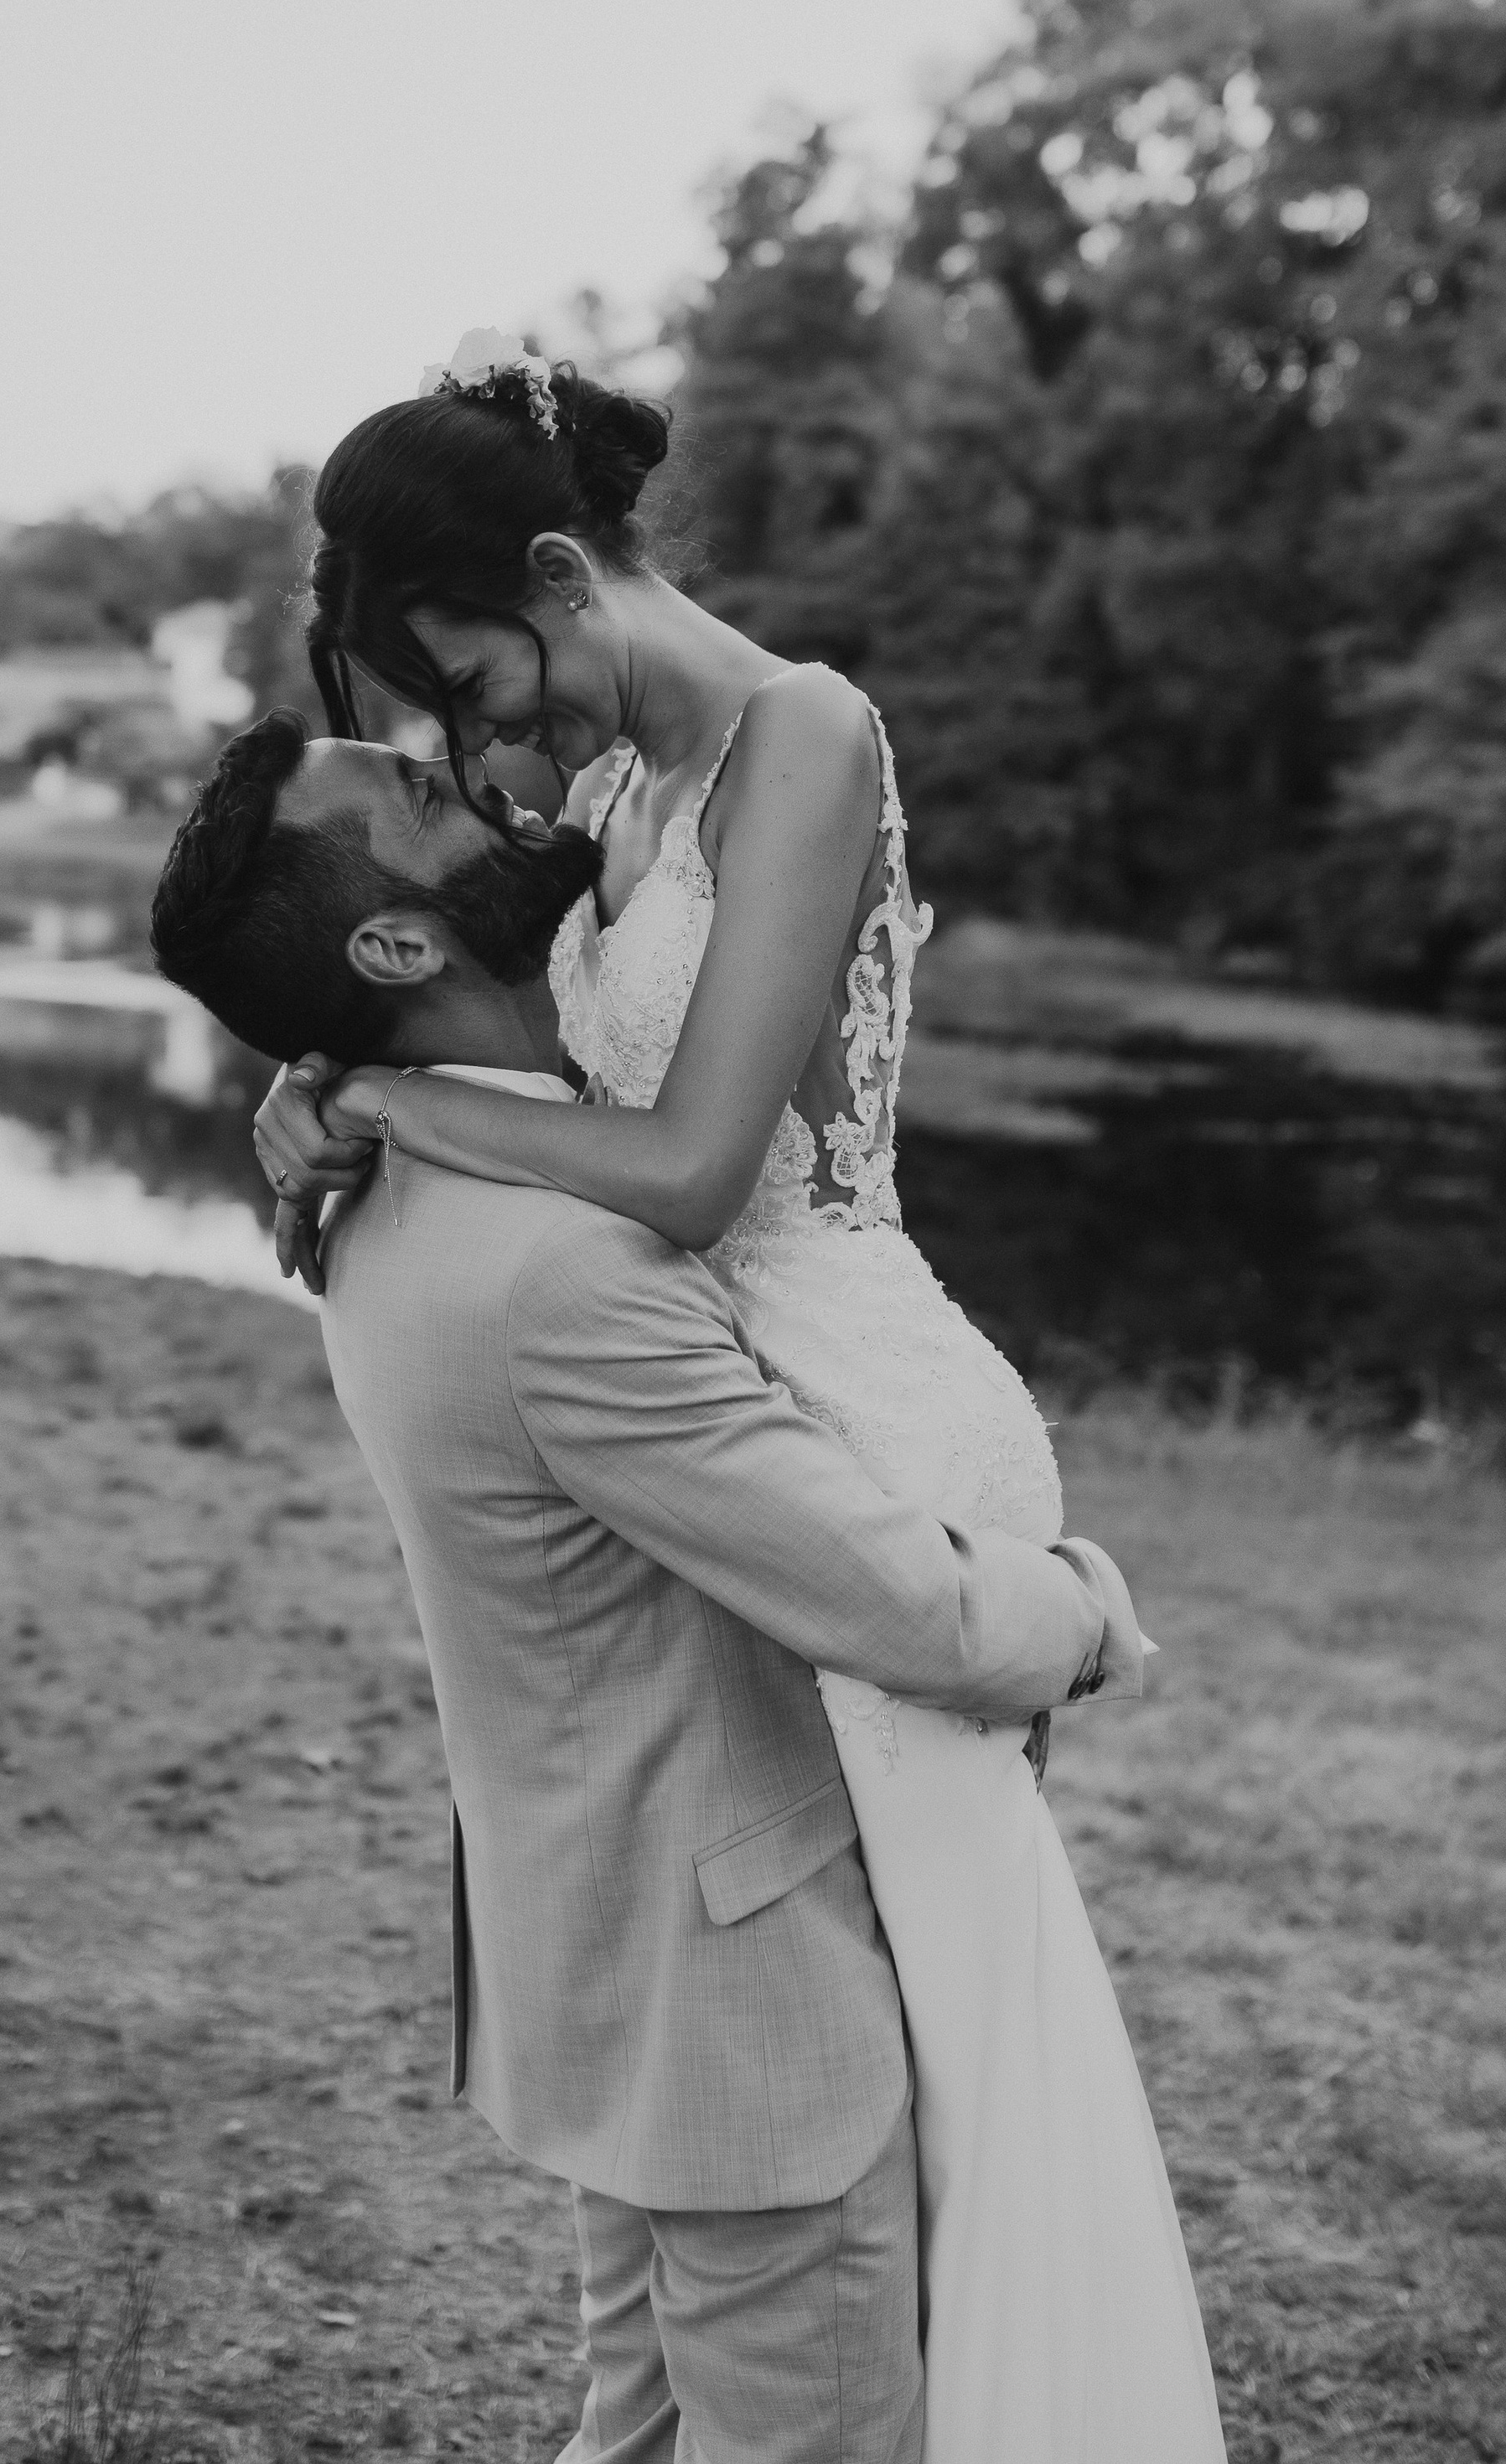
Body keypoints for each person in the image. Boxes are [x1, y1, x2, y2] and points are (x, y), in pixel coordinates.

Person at [248, 330, 1228, 2464]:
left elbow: (690, 1167)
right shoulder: (601, 793)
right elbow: (458, 1008)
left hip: (861, 1398)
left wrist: (416, 1114)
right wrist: (315, 1090)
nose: (481, 738)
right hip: (708, 1398)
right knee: (839, 2054)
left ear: (551, 573)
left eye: (475, 682)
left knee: (930, 2053)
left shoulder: (804, 734)